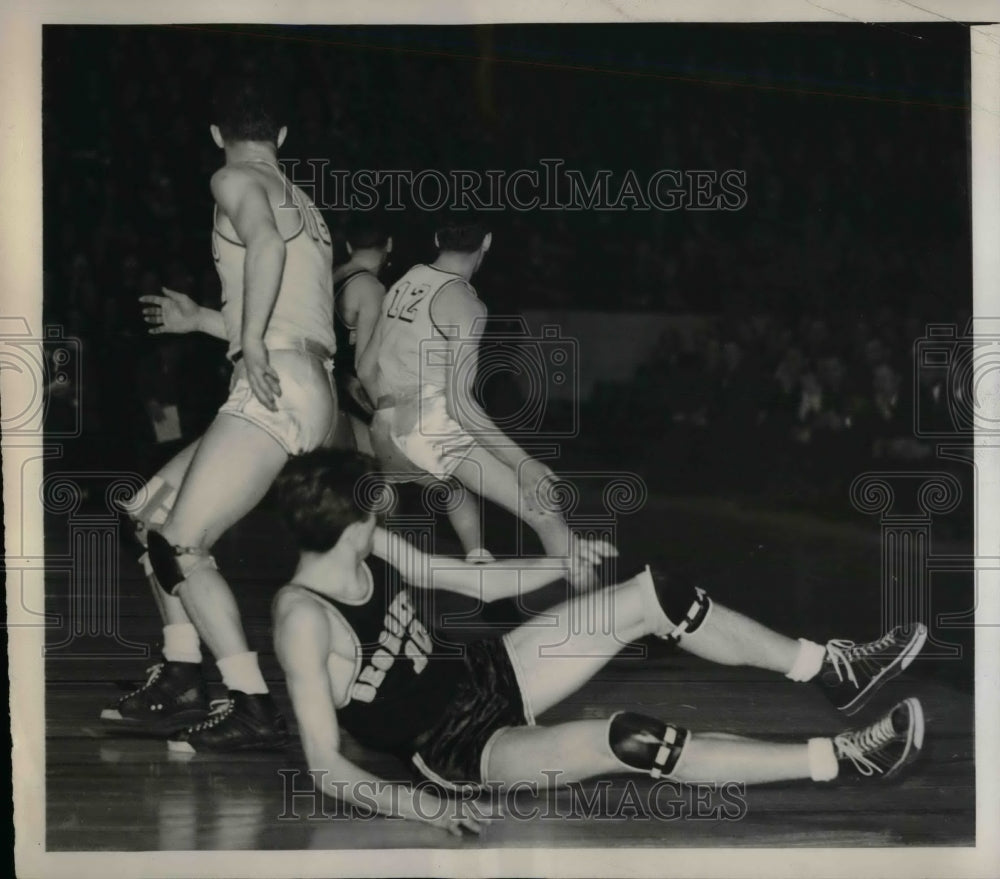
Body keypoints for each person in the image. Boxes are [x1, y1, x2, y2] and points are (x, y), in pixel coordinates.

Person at [268, 449, 929, 836]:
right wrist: (428, 807)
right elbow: (325, 764)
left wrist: (563, 562)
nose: (385, 502)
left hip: (488, 671)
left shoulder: (362, 543)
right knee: (631, 738)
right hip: (458, 747)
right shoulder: (303, 616)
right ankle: (842, 757)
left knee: (655, 594)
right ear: (354, 514)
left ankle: (829, 667)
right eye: (374, 499)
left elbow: (469, 581)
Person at [101, 74, 338, 752]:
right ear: (282, 136)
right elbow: (294, 301)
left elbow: (264, 250)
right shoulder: (302, 196)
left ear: (217, 136)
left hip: (275, 381)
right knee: (148, 512)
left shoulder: (231, 179)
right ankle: (181, 674)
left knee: (181, 542)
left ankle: (251, 700)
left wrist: (253, 341)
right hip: (302, 379)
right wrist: (206, 319)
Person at [359, 213, 575, 570]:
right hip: (428, 426)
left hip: (383, 427)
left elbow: (367, 368)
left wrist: (392, 420)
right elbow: (461, 407)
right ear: (486, 242)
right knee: (546, 507)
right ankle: (599, 622)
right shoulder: (464, 304)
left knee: (453, 498)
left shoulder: (405, 281)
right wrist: (525, 463)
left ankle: (479, 571)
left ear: (437, 238)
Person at [327, 216, 391, 453]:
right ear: (389, 244)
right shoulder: (371, 288)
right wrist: (384, 413)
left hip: (324, 383)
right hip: (347, 395)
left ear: (349, 246)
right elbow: (363, 366)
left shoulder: (331, 274)